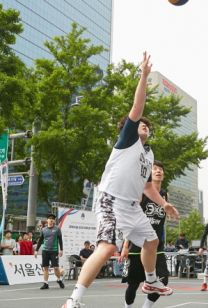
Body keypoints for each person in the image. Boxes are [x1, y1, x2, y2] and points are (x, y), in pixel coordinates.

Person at [62, 52, 179, 308]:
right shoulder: (128, 141)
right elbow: (137, 108)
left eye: (147, 125)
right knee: (105, 249)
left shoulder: (148, 155)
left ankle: (151, 281)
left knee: (152, 241)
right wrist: (144, 76)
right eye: (140, 124)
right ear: (129, 127)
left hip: (131, 207)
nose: (144, 126)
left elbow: (147, 186)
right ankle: (74, 300)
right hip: (110, 201)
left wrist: (163, 204)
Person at [120, 160, 170, 308]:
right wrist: (125, 245)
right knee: (133, 284)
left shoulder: (165, 194)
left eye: (161, 169)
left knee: (163, 280)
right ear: (149, 173)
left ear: (164, 174)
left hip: (156, 246)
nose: (158, 171)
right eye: (154, 169)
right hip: (137, 244)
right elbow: (131, 219)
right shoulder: (141, 192)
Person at [35, 213, 65, 290]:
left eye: (53, 219)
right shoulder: (43, 229)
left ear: (54, 221)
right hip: (45, 251)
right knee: (45, 268)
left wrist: (61, 250)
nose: (51, 220)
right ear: (47, 220)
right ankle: (46, 283)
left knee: (55, 267)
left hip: (54, 251)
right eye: (50, 219)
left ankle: (59, 280)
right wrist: (36, 250)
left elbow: (60, 240)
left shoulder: (57, 229)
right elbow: (40, 240)